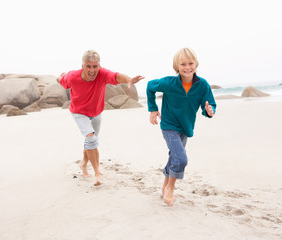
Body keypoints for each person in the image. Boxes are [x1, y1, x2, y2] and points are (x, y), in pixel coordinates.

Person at [57, 49, 144, 186]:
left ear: (99, 65)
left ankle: (84, 164)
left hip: (96, 112)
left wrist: (129, 79)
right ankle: (97, 173)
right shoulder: (73, 76)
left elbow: (116, 76)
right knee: (91, 139)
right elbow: (62, 81)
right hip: (79, 112)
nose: (92, 70)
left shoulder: (102, 74)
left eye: (95, 66)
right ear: (83, 66)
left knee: (91, 141)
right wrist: (59, 78)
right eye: (88, 66)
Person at [146, 48, 216, 206]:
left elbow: (209, 103)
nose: (187, 67)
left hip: (186, 128)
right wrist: (153, 109)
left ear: (196, 64)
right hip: (169, 126)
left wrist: (209, 110)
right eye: (183, 64)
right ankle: (171, 187)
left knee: (174, 157)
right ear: (177, 66)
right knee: (181, 159)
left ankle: (164, 187)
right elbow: (150, 87)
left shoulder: (202, 85)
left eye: (190, 63)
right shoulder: (169, 83)